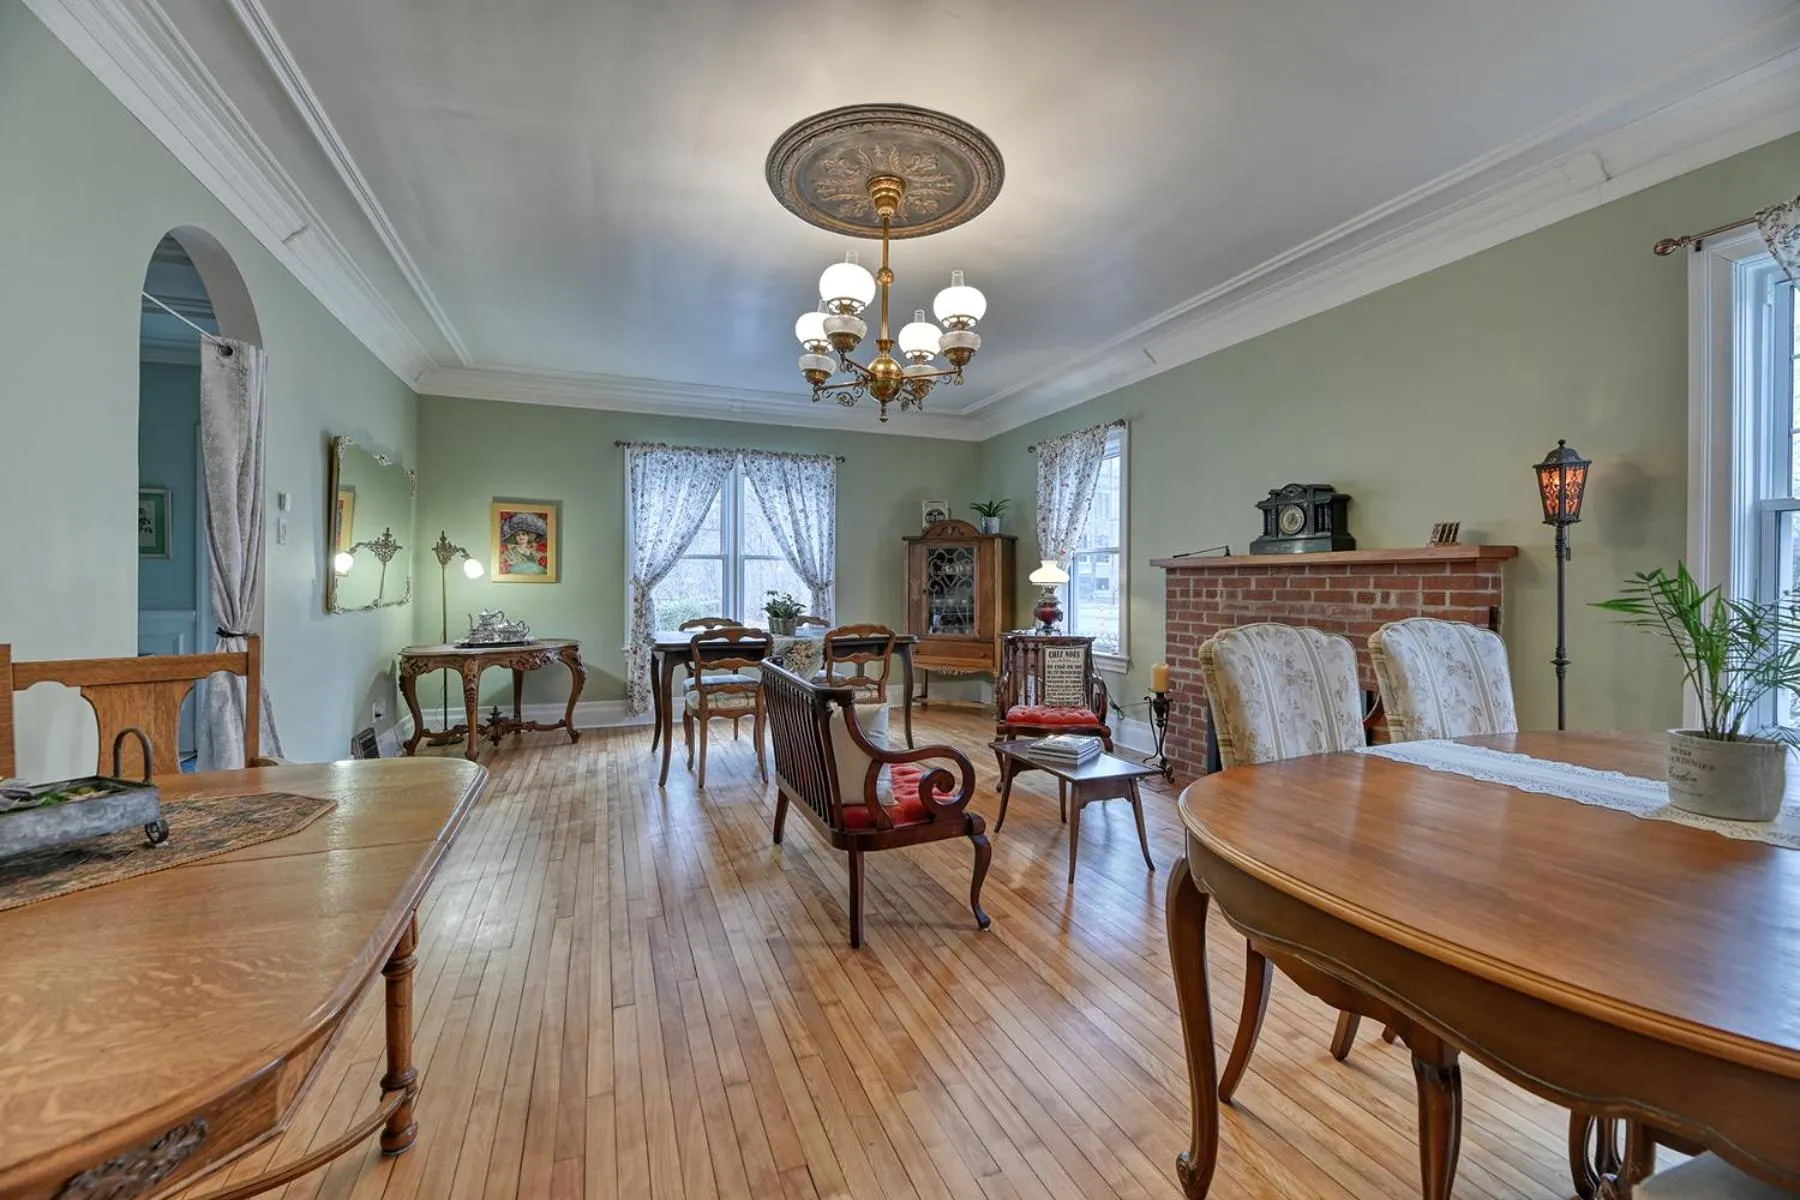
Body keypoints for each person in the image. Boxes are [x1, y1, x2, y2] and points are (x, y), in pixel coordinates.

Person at [500, 511, 548, 575]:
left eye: (523, 534)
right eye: (518, 535)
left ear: (529, 536)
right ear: (515, 537)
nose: (521, 537)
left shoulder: (534, 553)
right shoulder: (510, 552)